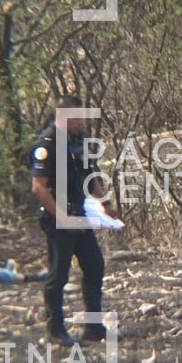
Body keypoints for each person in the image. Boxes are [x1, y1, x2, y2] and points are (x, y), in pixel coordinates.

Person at [29, 95, 119, 345]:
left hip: (80, 214)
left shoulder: (78, 141)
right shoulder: (46, 144)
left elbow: (89, 175)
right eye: (76, 117)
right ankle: (55, 330)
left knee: (94, 266)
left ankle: (93, 327)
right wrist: (63, 218)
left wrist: (105, 204)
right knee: (59, 273)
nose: (81, 121)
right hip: (58, 217)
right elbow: (39, 187)